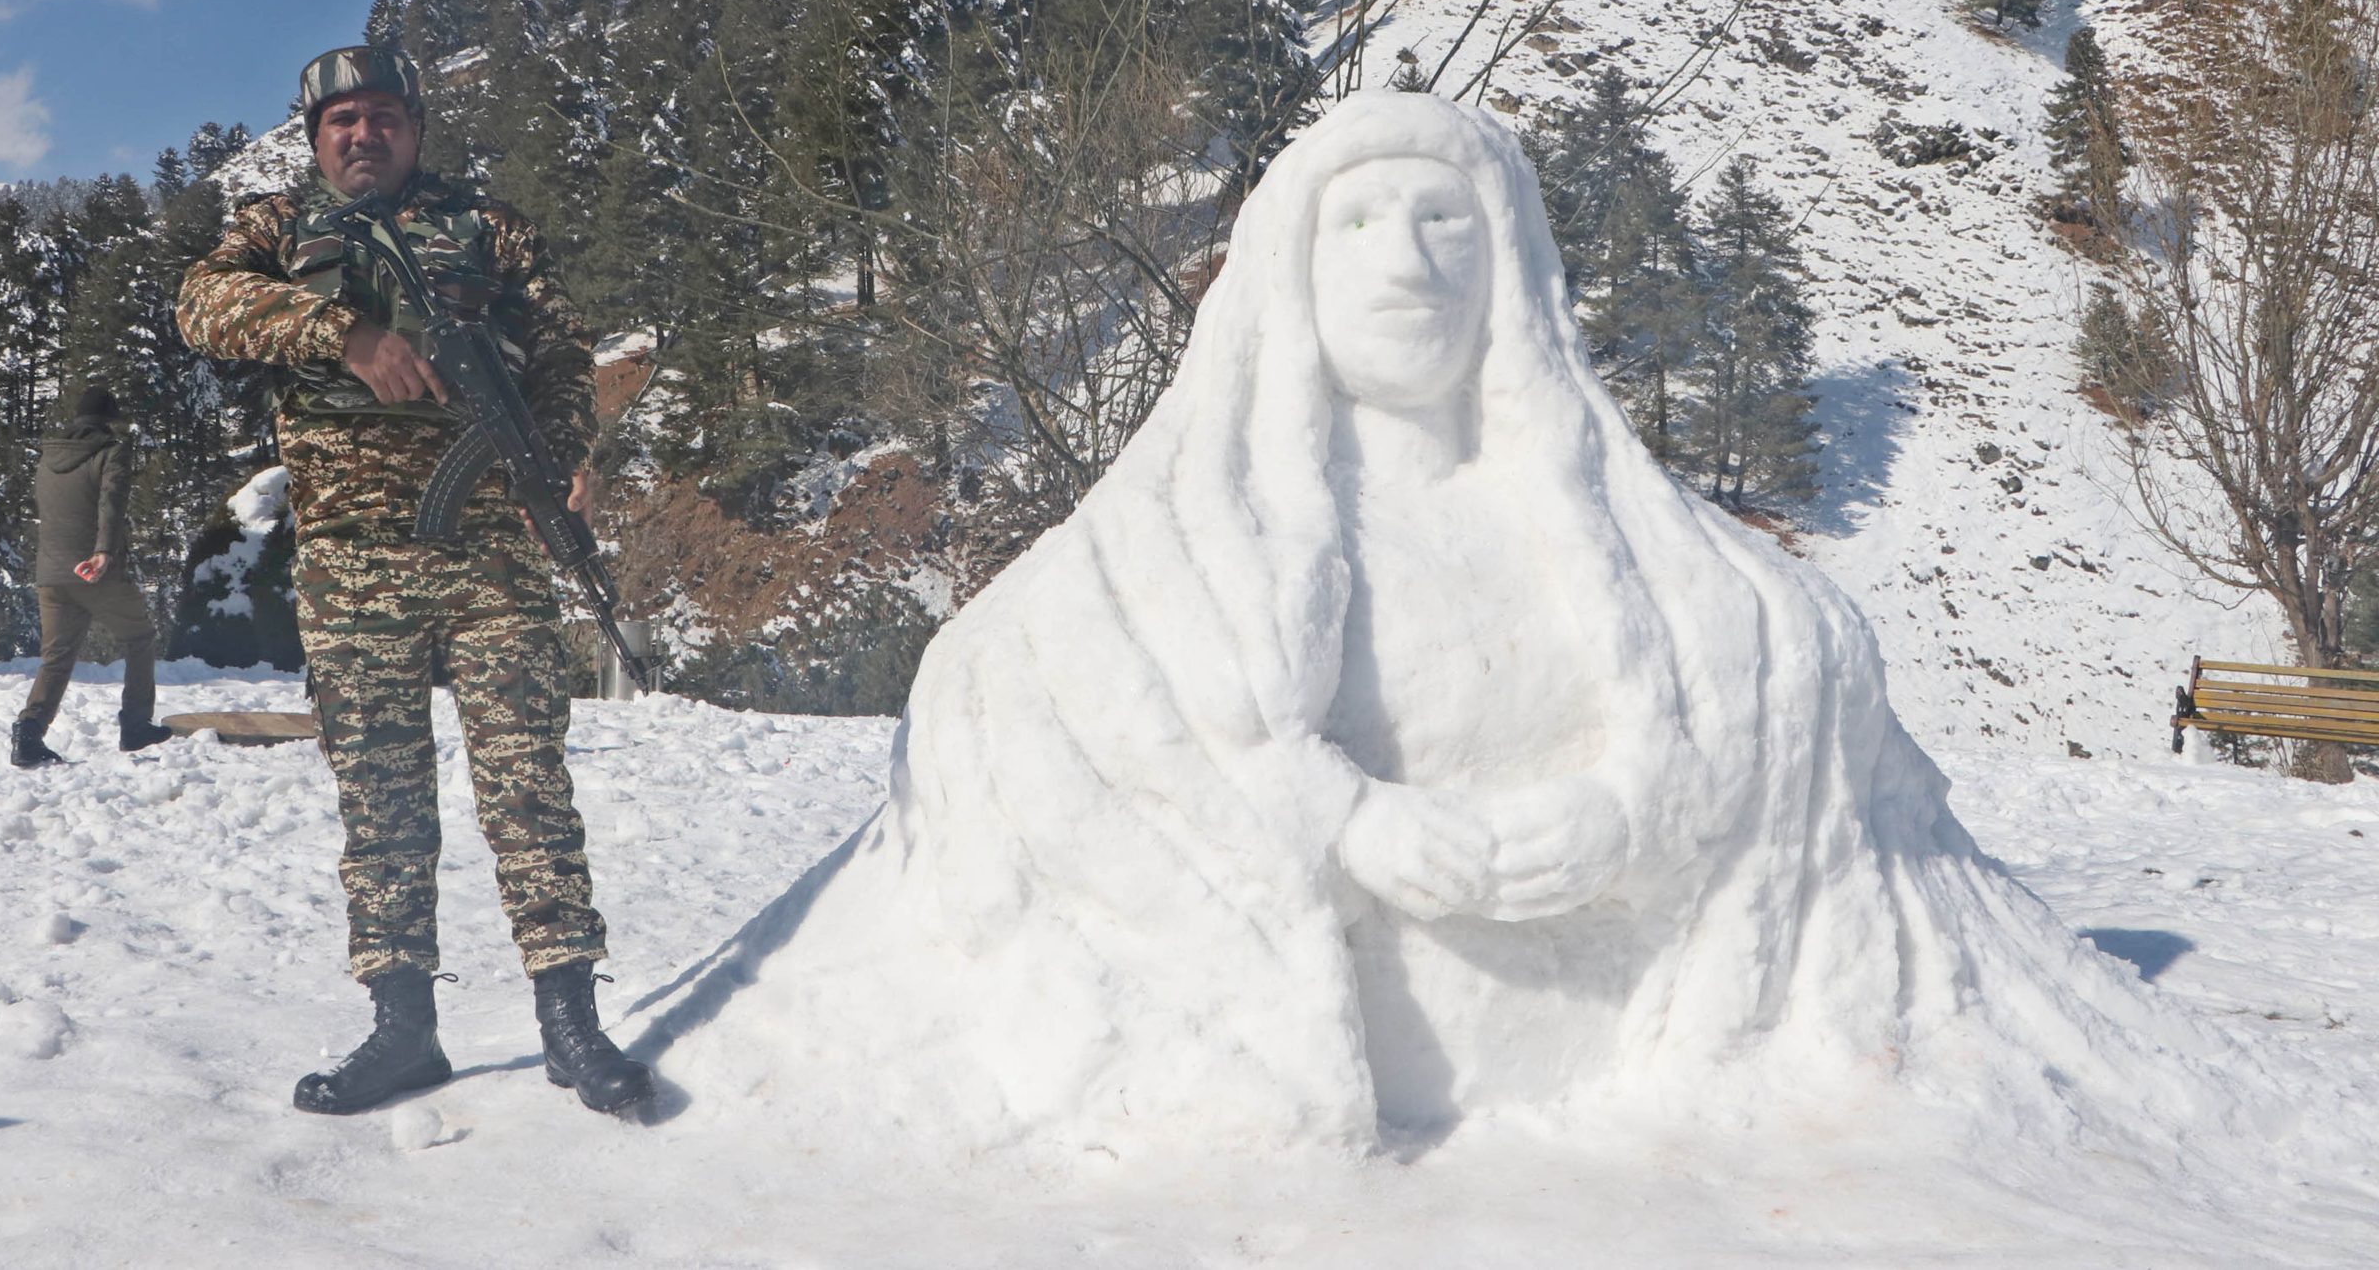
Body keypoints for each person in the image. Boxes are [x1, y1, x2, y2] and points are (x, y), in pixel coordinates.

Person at [659, 91, 2206, 1156]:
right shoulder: (1173, 543)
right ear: (1289, 266)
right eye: (1361, 222)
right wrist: (1333, 812)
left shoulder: (1630, 538)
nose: (1407, 260)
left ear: (1510, 264)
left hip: (1627, 1158)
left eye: (1446, 221)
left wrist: (1633, 808)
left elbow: (1787, 670)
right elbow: (1019, 683)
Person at [175, 44, 647, 1117]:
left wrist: (565, 452)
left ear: (416, 129)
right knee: (381, 797)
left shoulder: (489, 229)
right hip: (351, 563)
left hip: (492, 552)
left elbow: (561, 349)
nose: (363, 133)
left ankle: (569, 1020)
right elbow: (202, 306)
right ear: (314, 139)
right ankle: (403, 1030)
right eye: (341, 120)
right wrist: (345, 333)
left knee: (528, 785)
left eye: (384, 115)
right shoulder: (275, 229)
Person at [15, 385, 170, 767]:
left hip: (51, 574)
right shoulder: (110, 452)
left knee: (56, 658)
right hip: (93, 570)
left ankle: (28, 733)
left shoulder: (48, 457)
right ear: (108, 421)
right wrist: (103, 552)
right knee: (139, 637)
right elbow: (110, 504)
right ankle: (135, 725)